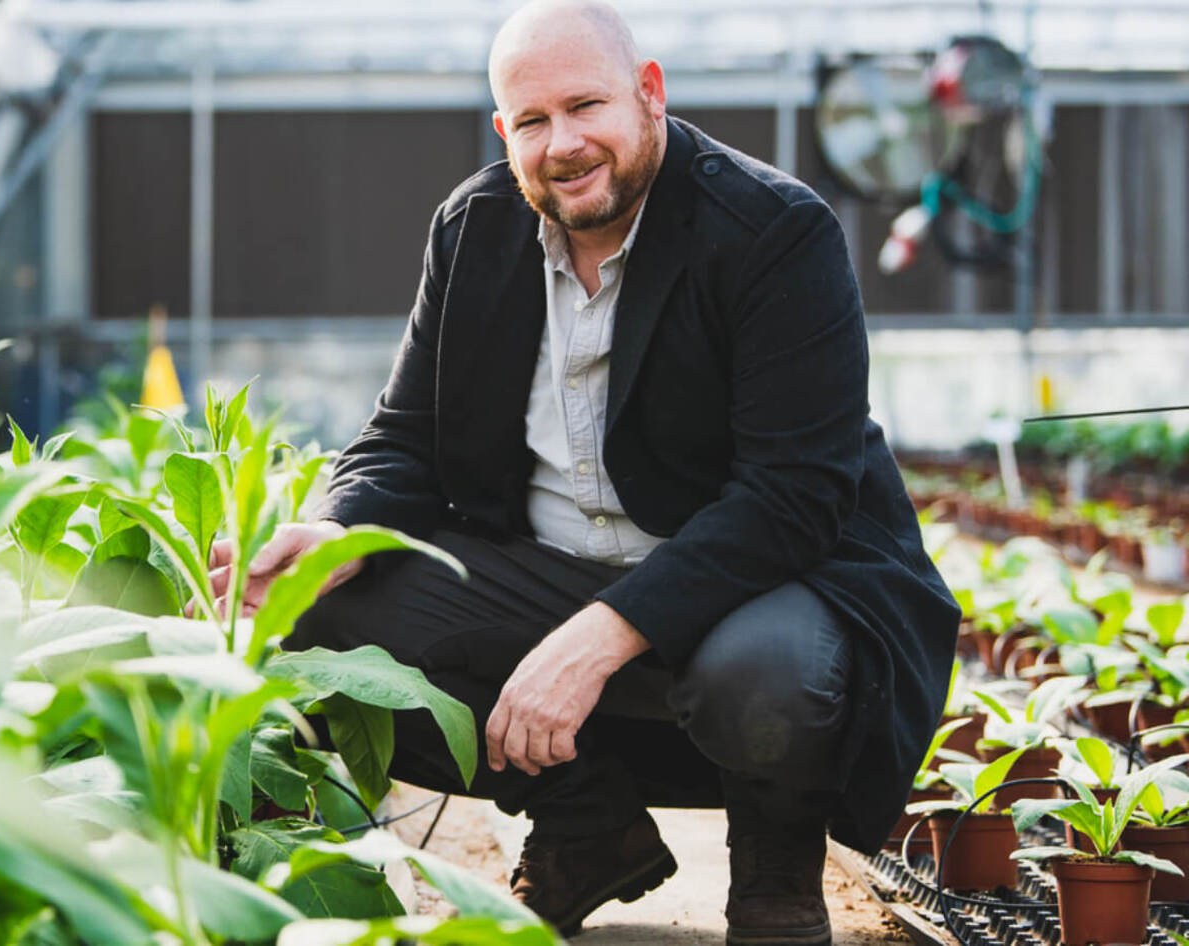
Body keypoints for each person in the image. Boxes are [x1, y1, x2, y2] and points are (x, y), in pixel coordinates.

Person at [210, 1, 959, 941]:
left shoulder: (772, 231)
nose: (561, 144)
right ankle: (585, 827)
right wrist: (333, 532)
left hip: (752, 588)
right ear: (503, 130)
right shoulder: (474, 230)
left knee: (769, 681)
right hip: (547, 570)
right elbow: (405, 435)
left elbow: (794, 496)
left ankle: (774, 873)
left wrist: (603, 633)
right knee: (322, 629)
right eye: (531, 121)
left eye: (584, 106)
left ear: (649, 95)